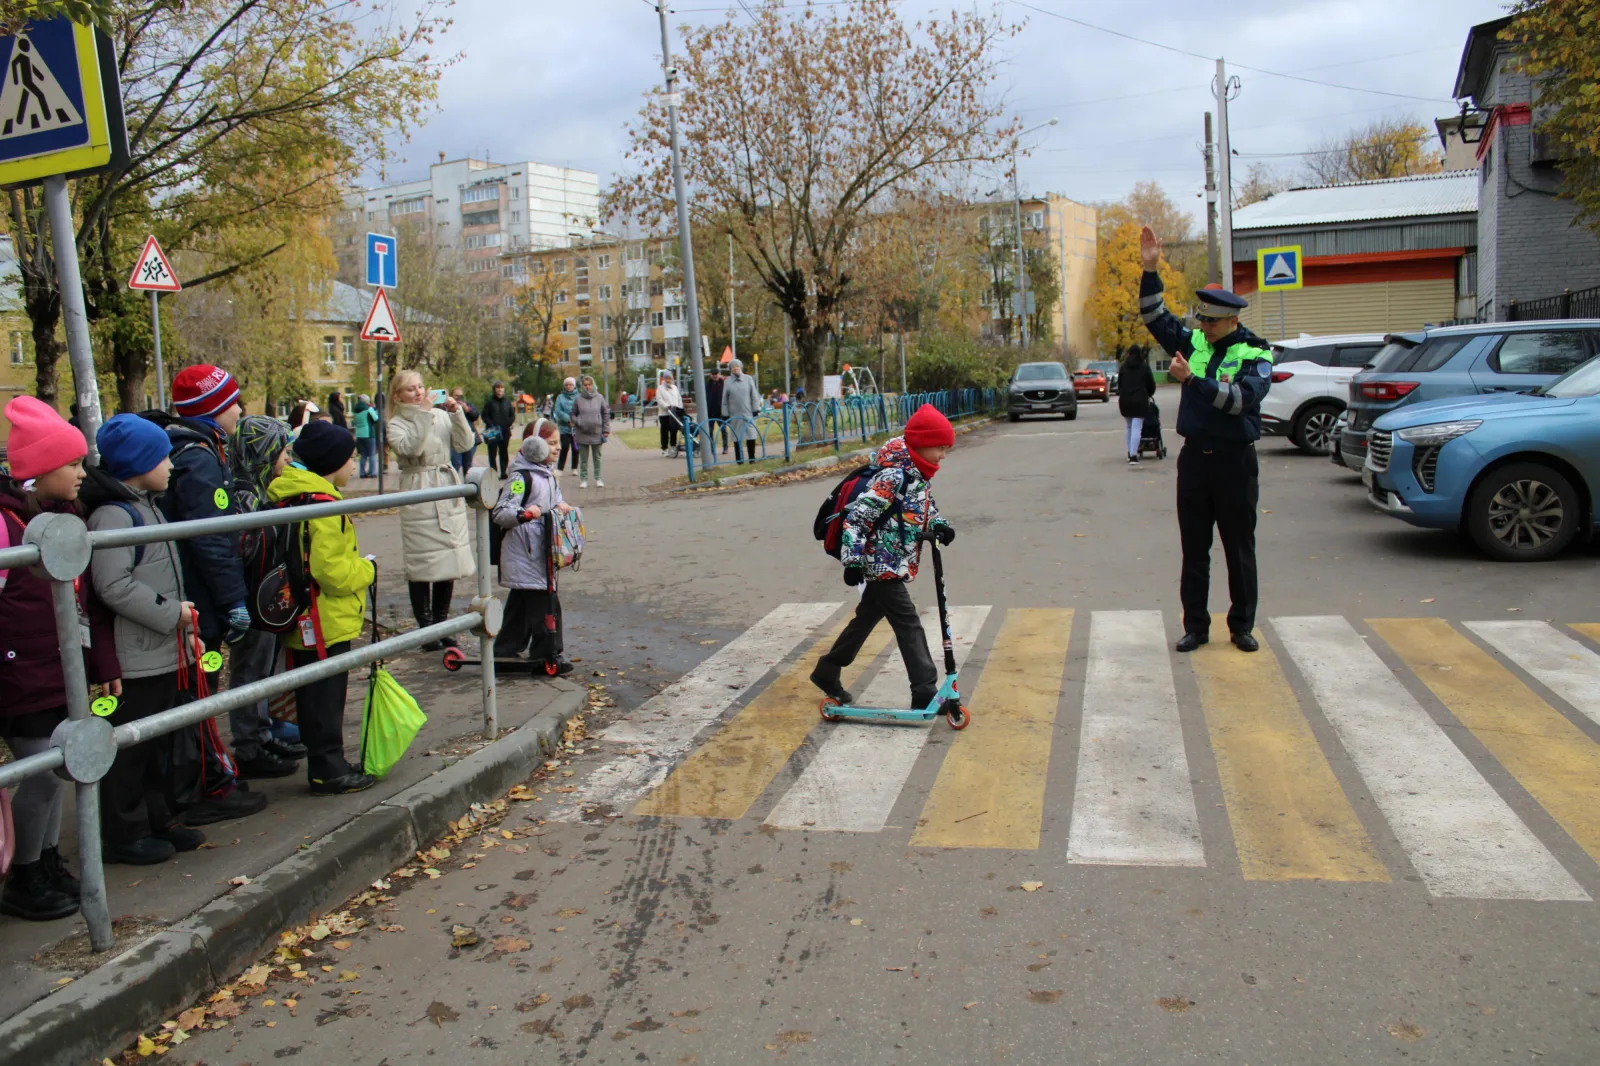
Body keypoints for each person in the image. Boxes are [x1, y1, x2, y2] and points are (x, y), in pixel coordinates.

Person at [0, 398, 121, 920]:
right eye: (72, 464)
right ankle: (24, 874)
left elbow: (81, 601)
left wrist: (99, 666)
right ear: (41, 468)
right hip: (19, 672)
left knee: (59, 767)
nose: (81, 472)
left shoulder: (65, 519)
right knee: (44, 773)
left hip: (57, 668)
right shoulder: (6, 526)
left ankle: (45, 862)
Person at [1138, 225, 1274, 654]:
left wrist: (1193, 381)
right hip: (1195, 460)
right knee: (1194, 549)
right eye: (1202, 318)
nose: (1204, 326)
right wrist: (1149, 268)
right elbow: (1153, 315)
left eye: (1212, 321)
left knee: (1239, 549)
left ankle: (1241, 626)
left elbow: (1239, 402)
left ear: (1233, 319)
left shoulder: (1256, 353)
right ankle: (1196, 626)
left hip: (1235, 463)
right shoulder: (1194, 339)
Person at [82, 415, 210, 865]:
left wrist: (185, 629)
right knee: (130, 750)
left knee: (157, 744)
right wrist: (171, 615)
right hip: (136, 656)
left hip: (161, 649)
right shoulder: (115, 514)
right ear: (138, 464)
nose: (171, 465)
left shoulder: (147, 503)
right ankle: (124, 832)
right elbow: (113, 585)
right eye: (162, 457)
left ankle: (159, 819)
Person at [155, 365, 269, 822]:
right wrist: (232, 601)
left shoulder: (200, 448)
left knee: (200, 688)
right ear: (213, 408)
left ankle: (207, 777)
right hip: (204, 604)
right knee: (201, 687)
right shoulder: (199, 456)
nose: (239, 410)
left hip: (200, 598)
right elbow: (212, 539)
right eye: (233, 402)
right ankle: (206, 785)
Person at [811, 404, 956, 710]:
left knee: (866, 618)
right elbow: (858, 519)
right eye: (941, 448)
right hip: (878, 563)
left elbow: (923, 510)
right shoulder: (891, 477)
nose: (943, 454)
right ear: (922, 444)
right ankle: (924, 690)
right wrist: (852, 562)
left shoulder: (918, 476)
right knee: (909, 622)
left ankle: (828, 669)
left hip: (895, 560)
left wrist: (939, 525)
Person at [267, 422, 378, 795]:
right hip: (325, 617)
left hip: (299, 613)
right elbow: (332, 572)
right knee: (326, 698)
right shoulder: (323, 506)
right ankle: (328, 769)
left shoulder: (290, 496)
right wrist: (368, 569)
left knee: (312, 694)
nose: (353, 464)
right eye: (350, 458)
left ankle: (326, 763)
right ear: (332, 463)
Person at [226, 415, 303, 778]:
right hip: (250, 596)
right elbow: (242, 548)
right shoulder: (243, 494)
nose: (287, 459)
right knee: (248, 670)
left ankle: (260, 732)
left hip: (266, 594)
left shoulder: (261, 488)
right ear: (262, 452)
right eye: (281, 451)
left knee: (261, 667)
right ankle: (248, 745)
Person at [387, 370, 475, 651]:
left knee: (448, 558)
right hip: (419, 486)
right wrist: (423, 413)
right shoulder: (396, 423)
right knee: (423, 561)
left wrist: (457, 413)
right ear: (398, 395)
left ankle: (442, 623)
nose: (419, 392)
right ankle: (425, 628)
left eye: (421, 387)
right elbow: (411, 448)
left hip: (445, 483)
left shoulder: (438, 416)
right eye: (411, 389)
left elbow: (464, 444)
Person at [491, 420, 574, 676]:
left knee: (521, 604)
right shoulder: (521, 477)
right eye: (551, 443)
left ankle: (505, 650)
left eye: (558, 443)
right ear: (534, 445)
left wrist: (561, 506)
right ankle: (547, 653)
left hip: (541, 550)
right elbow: (502, 511)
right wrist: (525, 514)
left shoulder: (547, 475)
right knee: (544, 604)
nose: (558, 448)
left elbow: (554, 500)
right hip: (526, 552)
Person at [1118, 345, 1157, 465]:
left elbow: (1120, 385)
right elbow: (1151, 384)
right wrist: (1149, 394)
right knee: (1136, 427)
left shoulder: (1123, 368)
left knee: (1129, 427)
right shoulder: (1144, 367)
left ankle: (1130, 452)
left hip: (1125, 401)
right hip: (1140, 401)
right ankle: (1133, 456)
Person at [570, 375, 611, 488]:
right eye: (585, 385)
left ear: (593, 385)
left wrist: (606, 430)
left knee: (597, 457)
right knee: (583, 458)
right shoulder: (578, 398)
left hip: (597, 432)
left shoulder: (600, 397)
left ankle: (598, 478)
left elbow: (605, 414)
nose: (588, 387)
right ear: (582, 386)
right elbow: (572, 413)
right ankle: (584, 479)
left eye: (589, 384)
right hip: (582, 432)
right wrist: (578, 421)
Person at [722, 359, 761, 464]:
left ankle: (752, 458)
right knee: (736, 436)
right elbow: (724, 399)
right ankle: (739, 460)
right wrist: (725, 414)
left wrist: (755, 409)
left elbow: (754, 395)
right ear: (730, 369)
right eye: (733, 367)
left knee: (751, 435)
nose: (735, 368)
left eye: (737, 366)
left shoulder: (748, 379)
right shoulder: (727, 381)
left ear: (740, 367)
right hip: (734, 414)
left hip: (747, 412)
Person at [481, 381, 516, 478]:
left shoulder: (507, 402)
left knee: (504, 452)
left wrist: (506, 424)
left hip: (505, 431)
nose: (500, 389)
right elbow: (484, 415)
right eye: (498, 387)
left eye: (501, 387)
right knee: (492, 453)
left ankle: (503, 471)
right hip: (493, 431)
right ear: (494, 389)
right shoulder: (490, 402)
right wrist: (491, 424)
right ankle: (493, 472)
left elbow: (512, 416)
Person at [449, 387, 480, 476]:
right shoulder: (446, 406)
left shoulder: (467, 404)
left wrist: (466, 409)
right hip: (455, 441)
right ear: (451, 396)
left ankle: (468, 487)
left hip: (469, 439)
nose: (458, 398)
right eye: (456, 396)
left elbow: (475, 415)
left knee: (468, 466)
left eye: (460, 396)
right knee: (455, 464)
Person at [552, 377, 578, 471]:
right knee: (565, 447)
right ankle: (560, 467)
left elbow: (581, 410)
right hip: (564, 427)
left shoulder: (578, 397)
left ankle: (574, 467)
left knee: (576, 448)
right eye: (567, 385)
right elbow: (558, 410)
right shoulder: (560, 397)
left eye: (570, 384)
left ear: (574, 386)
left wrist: (574, 420)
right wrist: (568, 420)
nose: (568, 386)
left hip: (576, 427)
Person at [655, 371, 685, 456]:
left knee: (674, 431)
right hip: (665, 414)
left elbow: (679, 399)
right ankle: (664, 449)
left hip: (674, 414)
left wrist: (679, 408)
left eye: (670, 378)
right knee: (664, 432)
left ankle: (673, 447)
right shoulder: (660, 388)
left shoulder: (675, 388)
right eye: (666, 378)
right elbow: (659, 399)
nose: (668, 380)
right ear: (664, 379)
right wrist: (667, 406)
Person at [351, 394, 380, 478]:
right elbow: (376, 418)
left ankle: (362, 473)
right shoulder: (368, 409)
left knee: (363, 455)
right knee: (372, 454)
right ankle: (372, 472)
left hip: (359, 434)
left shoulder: (355, 410)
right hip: (368, 433)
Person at [703, 366, 728, 454]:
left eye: (716, 374)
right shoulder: (707, 384)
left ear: (719, 374)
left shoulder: (723, 384)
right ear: (710, 375)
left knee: (723, 430)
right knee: (710, 430)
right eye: (713, 374)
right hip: (710, 411)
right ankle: (711, 448)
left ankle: (725, 447)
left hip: (720, 411)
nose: (715, 376)